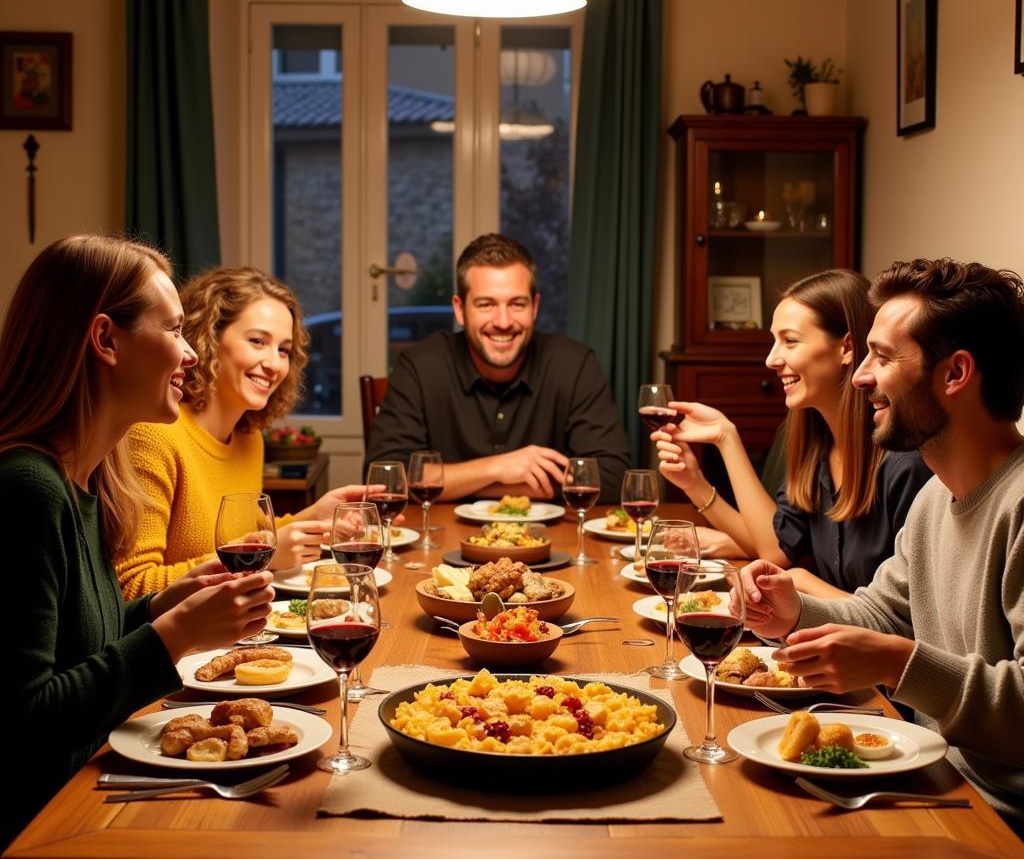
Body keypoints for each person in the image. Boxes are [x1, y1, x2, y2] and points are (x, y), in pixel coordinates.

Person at [1, 236, 276, 852]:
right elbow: (25, 722)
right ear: (105, 340)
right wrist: (174, 634)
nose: (189, 354)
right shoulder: (28, 490)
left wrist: (159, 607)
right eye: (175, 330)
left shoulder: (91, 481)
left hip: (83, 794)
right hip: (42, 836)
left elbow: (78, 647)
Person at [740, 257, 1024, 834]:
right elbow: (881, 612)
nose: (861, 375)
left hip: (1003, 825)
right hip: (937, 785)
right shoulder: (933, 502)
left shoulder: (1018, 506)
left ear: (955, 373)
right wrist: (794, 609)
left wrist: (899, 663)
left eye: (884, 357)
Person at [655, 269, 931, 597]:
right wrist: (708, 464)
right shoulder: (816, 447)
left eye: (790, 340)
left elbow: (905, 624)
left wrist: (801, 581)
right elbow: (773, 547)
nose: (772, 359)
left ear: (846, 347)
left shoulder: (907, 465)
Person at [117, 267, 367, 599]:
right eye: (258, 341)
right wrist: (261, 561)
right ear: (208, 338)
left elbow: (244, 541)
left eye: (284, 350)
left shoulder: (249, 438)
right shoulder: (154, 436)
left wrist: (316, 516)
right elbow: (132, 588)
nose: (275, 364)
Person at [364, 233, 630, 502]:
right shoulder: (419, 366)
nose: (503, 321)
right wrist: (496, 468)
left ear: (534, 307)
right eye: (486, 304)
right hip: (442, 541)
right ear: (459, 309)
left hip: (554, 541)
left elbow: (612, 477)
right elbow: (384, 481)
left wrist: (468, 485)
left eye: (516, 304)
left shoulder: (575, 365)